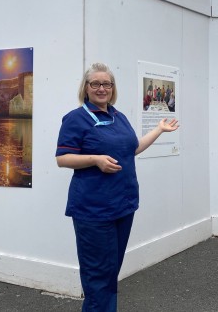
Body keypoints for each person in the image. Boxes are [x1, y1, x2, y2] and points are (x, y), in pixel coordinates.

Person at [55, 62, 179, 312]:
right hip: (94, 211)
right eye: (95, 84)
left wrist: (158, 130)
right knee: (98, 278)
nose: (102, 88)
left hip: (123, 206)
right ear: (86, 88)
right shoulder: (76, 118)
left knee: (110, 273)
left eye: (107, 84)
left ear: (113, 88)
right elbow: (62, 159)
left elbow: (132, 149)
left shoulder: (118, 117)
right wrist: (95, 159)